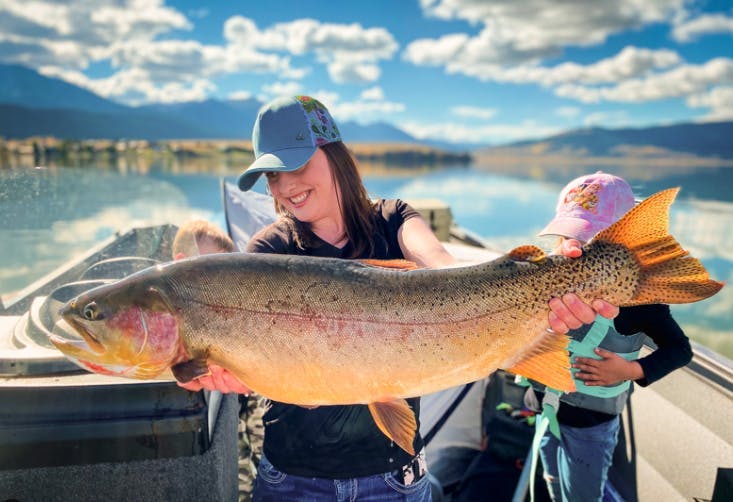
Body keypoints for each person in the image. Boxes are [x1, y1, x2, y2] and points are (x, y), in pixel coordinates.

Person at [178, 95, 618, 501]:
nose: (284, 186)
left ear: (335, 154)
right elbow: (270, 368)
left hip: (395, 480)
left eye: (296, 165)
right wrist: (233, 371)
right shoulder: (267, 253)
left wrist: (556, 279)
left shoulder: (395, 219)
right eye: (272, 175)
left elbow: (444, 271)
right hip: (292, 478)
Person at [528, 172, 693, 502]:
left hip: (593, 424)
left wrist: (631, 371)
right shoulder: (547, 279)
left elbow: (680, 349)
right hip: (544, 412)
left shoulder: (640, 301)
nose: (580, 249)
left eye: (595, 240)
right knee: (552, 481)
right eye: (573, 236)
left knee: (582, 495)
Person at [172, 220, 265, 502]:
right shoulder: (166, 310)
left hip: (245, 392)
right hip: (207, 412)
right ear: (181, 262)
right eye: (210, 267)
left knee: (257, 441)